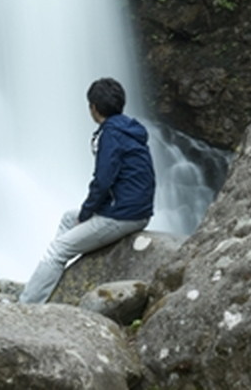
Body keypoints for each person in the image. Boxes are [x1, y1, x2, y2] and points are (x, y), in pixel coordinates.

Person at [19, 77, 155, 303]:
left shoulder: (110, 135)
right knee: (67, 219)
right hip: (137, 209)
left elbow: (103, 181)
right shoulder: (130, 130)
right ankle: (51, 284)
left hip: (123, 215)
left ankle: (26, 306)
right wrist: (84, 214)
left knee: (57, 250)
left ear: (93, 107)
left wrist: (87, 212)